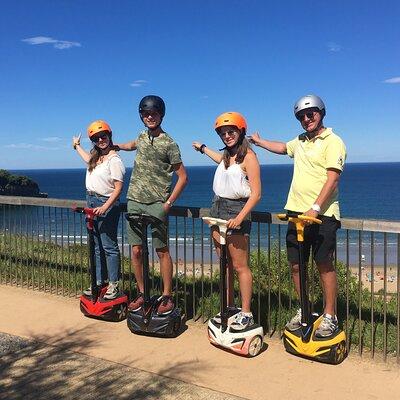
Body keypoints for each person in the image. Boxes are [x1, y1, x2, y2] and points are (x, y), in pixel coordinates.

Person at [250, 95, 346, 337]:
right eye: (301, 116)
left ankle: (330, 316)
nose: (306, 119)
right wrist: (260, 142)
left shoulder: (333, 142)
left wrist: (315, 207)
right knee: (296, 265)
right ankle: (304, 310)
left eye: (310, 114)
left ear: (321, 113)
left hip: (322, 214)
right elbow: (283, 148)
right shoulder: (301, 141)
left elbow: (333, 179)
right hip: (296, 214)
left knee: (323, 264)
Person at [116, 95, 187, 314]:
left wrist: (168, 203)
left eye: (153, 113)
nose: (150, 117)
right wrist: (115, 145)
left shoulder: (170, 143)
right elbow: (131, 145)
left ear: (161, 115)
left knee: (161, 251)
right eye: (146, 114)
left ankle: (166, 296)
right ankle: (142, 292)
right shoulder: (141, 136)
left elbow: (183, 177)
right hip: (134, 201)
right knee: (136, 251)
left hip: (157, 204)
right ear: (141, 116)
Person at [193, 112, 261, 330]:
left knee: (240, 266)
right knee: (225, 265)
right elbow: (218, 159)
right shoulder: (226, 156)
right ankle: (228, 307)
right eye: (223, 133)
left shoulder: (248, 156)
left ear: (241, 131)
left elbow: (256, 194)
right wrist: (203, 148)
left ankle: (246, 312)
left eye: (231, 131)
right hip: (217, 208)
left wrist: (240, 218)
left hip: (236, 211)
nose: (227, 136)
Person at [72, 120, 125, 300]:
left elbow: (118, 188)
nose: (101, 140)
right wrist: (76, 146)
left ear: (110, 136)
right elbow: (87, 158)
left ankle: (113, 284)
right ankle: (99, 281)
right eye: (96, 138)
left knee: (109, 246)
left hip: (105, 203)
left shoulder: (115, 159)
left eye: (104, 136)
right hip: (92, 201)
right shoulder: (96, 157)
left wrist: (105, 206)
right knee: (96, 246)